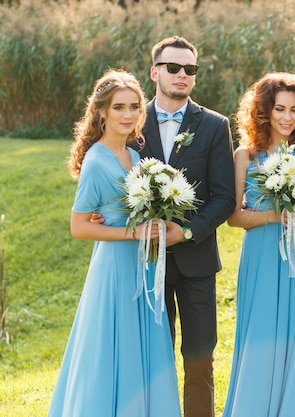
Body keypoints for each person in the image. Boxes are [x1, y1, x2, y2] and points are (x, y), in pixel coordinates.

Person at [49, 69, 181, 417]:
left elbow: (136, 211)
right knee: (111, 345)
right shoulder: (95, 161)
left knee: (142, 343)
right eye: (119, 107)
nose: (127, 114)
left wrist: (159, 221)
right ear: (102, 112)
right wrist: (132, 233)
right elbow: (79, 226)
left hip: (142, 262)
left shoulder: (136, 158)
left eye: (134, 107)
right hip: (114, 267)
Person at [223, 72, 295, 417]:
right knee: (261, 332)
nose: (287, 117)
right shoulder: (245, 155)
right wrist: (273, 217)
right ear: (264, 111)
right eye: (279, 109)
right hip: (261, 255)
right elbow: (234, 218)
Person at [142, 36, 235, 417]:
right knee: (151, 357)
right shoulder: (132, 120)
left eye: (190, 69)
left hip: (197, 263)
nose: (182, 75)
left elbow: (225, 197)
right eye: (173, 67)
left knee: (199, 360)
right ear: (155, 72)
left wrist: (189, 231)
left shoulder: (214, 125)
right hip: (145, 260)